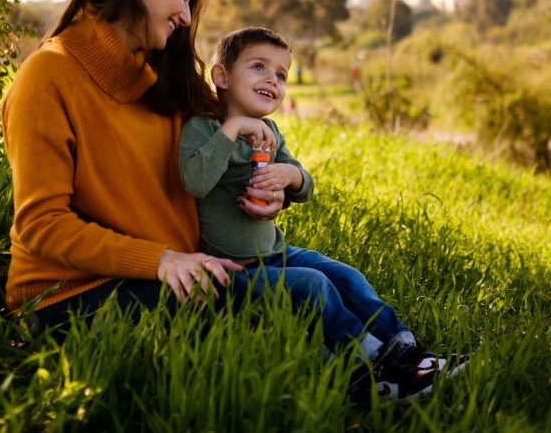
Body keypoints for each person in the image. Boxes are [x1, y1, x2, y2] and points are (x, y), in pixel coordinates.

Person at [1, 0, 279, 334]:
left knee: (328, 280)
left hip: (174, 270)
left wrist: (272, 190)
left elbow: (226, 145)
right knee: (296, 300)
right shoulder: (47, 76)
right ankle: (376, 380)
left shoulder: (162, 73)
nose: (186, 17)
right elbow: (42, 224)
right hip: (70, 297)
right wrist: (162, 260)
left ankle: (403, 360)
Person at [178, 27, 467, 402]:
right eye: (259, 67)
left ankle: (407, 351)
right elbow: (195, 182)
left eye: (281, 74)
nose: (272, 79)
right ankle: (370, 368)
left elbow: (305, 185)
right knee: (312, 285)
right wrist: (233, 128)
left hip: (276, 252)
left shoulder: (270, 131)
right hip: (231, 269)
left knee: (345, 275)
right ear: (222, 76)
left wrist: (291, 175)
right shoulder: (203, 127)